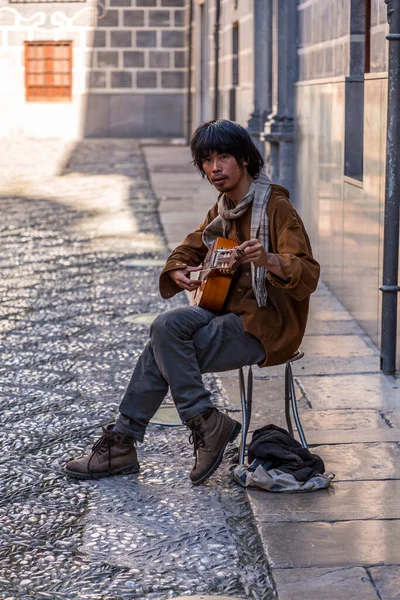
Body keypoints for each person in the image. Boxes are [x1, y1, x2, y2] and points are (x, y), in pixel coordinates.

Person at [65, 119, 320, 486]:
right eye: (206, 159)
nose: (214, 167)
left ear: (245, 159)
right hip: (227, 312)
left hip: (266, 324)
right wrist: (177, 269)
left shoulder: (276, 208)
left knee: (164, 349)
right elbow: (191, 245)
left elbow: (308, 273)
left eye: (224, 157)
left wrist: (268, 259)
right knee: (165, 327)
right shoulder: (225, 208)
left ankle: (124, 442)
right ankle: (203, 420)